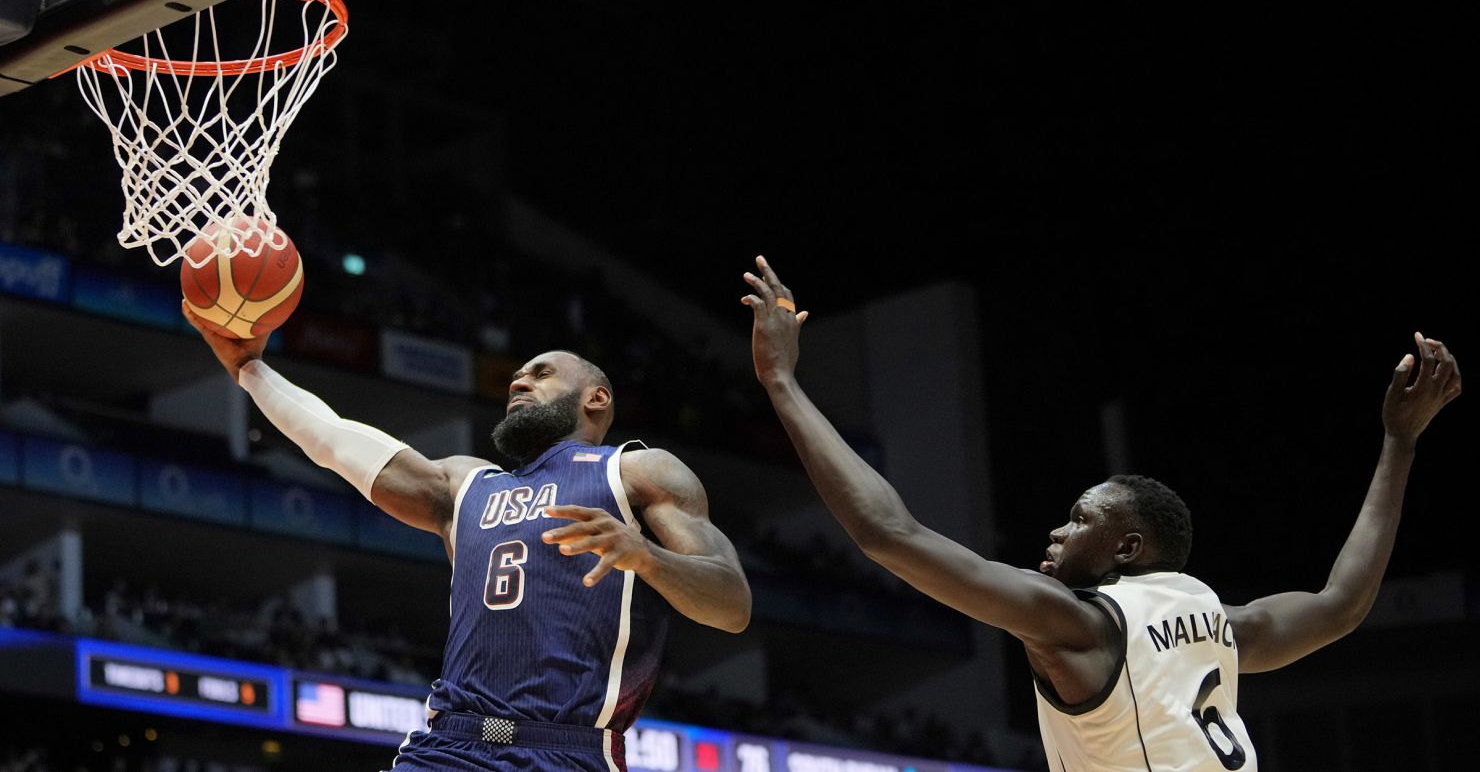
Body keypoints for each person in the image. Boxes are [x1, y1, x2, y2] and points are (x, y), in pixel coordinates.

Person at [739, 256, 1460, 771]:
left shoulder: (1080, 622)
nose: (1057, 530)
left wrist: (782, 384)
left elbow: (888, 533)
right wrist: (1400, 443)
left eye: (1081, 518)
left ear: (1129, 545)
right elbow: (1341, 604)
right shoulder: (1219, 625)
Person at [183, 304, 751, 772]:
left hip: (568, 752)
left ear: (596, 398)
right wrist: (250, 370)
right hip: (449, 748)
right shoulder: (464, 484)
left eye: (541, 372)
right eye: (516, 378)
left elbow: (732, 605)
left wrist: (646, 557)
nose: (519, 381)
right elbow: (337, 441)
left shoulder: (638, 473)